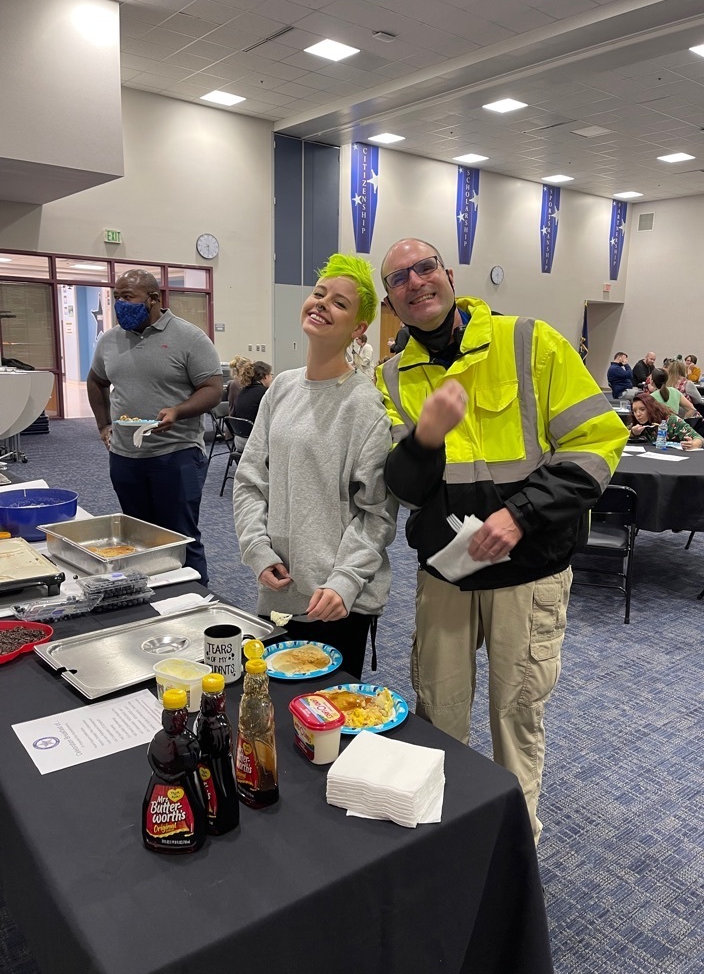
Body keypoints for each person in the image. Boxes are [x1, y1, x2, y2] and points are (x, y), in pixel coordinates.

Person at [376, 237, 628, 841]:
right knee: (438, 714)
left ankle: (514, 848)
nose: (415, 282)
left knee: (517, 716)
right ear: (391, 299)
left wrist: (520, 514)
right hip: (446, 576)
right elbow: (406, 488)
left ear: (449, 274)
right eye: (399, 279)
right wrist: (425, 439)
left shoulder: (529, 341)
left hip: (530, 569)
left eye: (424, 268)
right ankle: (447, 842)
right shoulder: (391, 375)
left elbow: (597, 441)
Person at [233, 254, 398, 680]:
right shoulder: (282, 388)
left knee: (327, 723)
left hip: (338, 600)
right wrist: (256, 548)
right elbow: (251, 480)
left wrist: (344, 579)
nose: (322, 304)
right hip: (279, 589)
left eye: (339, 303)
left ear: (359, 328)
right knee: (272, 714)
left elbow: (377, 513)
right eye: (318, 294)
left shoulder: (365, 406)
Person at [87, 269, 222, 585]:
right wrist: (103, 425)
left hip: (175, 455)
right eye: (116, 296)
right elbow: (96, 381)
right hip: (124, 457)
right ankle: (149, 600)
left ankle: (195, 602)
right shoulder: (110, 339)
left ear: (154, 299)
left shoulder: (189, 338)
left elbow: (213, 390)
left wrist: (178, 410)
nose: (120, 303)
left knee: (180, 538)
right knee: (137, 538)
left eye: (128, 297)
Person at [628, 393, 703, 448]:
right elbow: (622, 435)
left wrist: (692, 444)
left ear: (651, 408)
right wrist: (633, 433)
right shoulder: (638, 423)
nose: (638, 414)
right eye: (634, 411)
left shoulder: (671, 420)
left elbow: (699, 439)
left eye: (642, 409)